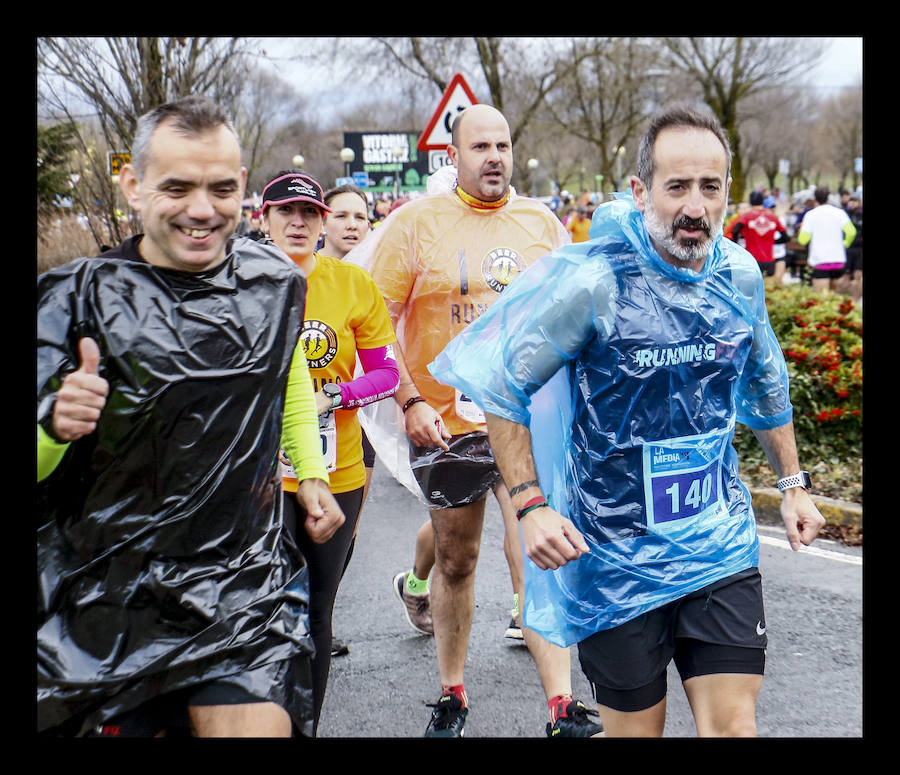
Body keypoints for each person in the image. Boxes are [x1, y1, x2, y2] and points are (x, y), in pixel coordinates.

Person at [430, 103, 826, 738]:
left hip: (715, 540)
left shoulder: (740, 276)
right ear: (641, 191)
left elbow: (765, 378)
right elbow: (502, 384)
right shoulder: (596, 281)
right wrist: (530, 506)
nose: (695, 207)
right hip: (611, 551)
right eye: (677, 187)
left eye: (710, 187)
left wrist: (792, 483)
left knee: (734, 727)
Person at [37, 95, 345, 738]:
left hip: (239, 587)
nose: (202, 210)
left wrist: (310, 471)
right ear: (133, 184)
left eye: (221, 188)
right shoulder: (75, 298)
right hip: (106, 600)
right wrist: (52, 425)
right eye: (177, 186)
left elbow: (281, 372)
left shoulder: (274, 282)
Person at [353, 103, 603, 738]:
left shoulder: (541, 224)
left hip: (524, 419)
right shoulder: (417, 225)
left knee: (536, 552)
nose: (495, 157)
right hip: (445, 421)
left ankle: (562, 706)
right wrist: (408, 402)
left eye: (503, 144)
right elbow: (376, 325)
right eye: (480, 147)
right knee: (458, 559)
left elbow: (570, 317)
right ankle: (453, 693)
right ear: (453, 158)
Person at [260, 169, 399, 733]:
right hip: (262, 480)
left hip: (336, 471)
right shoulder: (241, 284)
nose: (298, 222)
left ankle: (305, 725)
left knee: (317, 609)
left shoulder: (351, 285)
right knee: (267, 611)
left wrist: (335, 396)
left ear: (322, 221)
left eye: (309, 213)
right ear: (262, 219)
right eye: (285, 212)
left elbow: (387, 374)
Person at [796, 186, 857, 295]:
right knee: (835, 300)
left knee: (822, 302)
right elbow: (852, 232)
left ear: (815, 199)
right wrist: (845, 243)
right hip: (838, 260)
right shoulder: (840, 213)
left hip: (819, 261)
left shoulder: (810, 215)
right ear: (828, 198)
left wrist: (802, 230)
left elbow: (803, 240)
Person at [730, 190, 787, 281]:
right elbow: (785, 237)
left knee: (752, 291)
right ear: (762, 201)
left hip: (751, 260)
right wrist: (772, 241)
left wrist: (736, 246)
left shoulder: (747, 216)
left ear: (750, 201)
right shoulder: (772, 216)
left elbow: (735, 231)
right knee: (768, 290)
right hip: (769, 260)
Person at [844, 194, 863, 304]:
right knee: (846, 276)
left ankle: (857, 299)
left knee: (858, 275)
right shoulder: (845, 215)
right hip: (848, 249)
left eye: (854, 201)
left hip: (859, 250)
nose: (852, 203)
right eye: (850, 201)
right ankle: (848, 299)